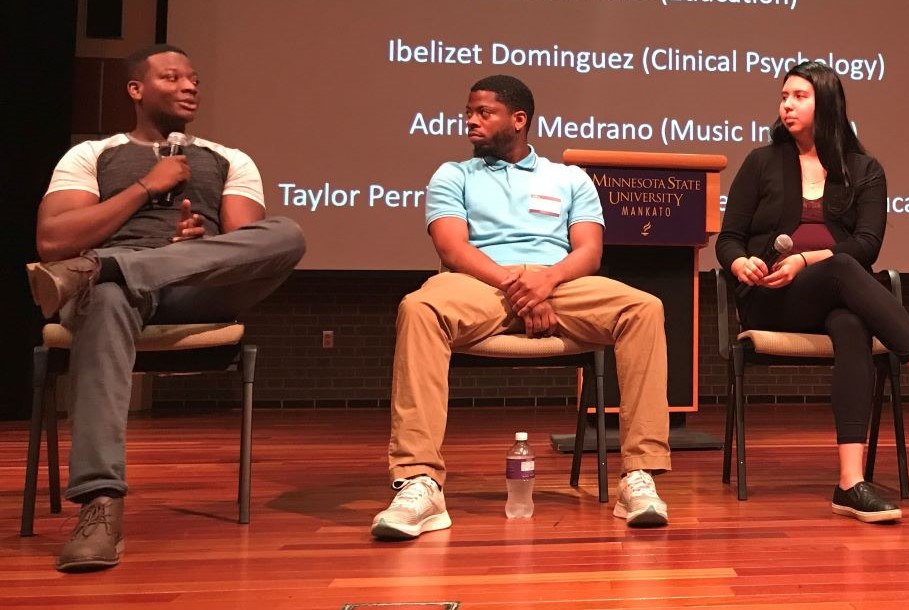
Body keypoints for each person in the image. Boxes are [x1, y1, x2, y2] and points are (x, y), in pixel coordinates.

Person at [26, 44, 307, 572]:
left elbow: (249, 247)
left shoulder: (230, 159)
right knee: (108, 293)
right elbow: (52, 241)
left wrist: (191, 251)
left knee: (287, 234)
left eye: (194, 79)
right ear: (136, 89)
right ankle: (100, 504)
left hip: (192, 287)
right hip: (111, 298)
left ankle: (109, 268)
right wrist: (144, 187)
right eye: (173, 77)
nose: (189, 86)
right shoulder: (92, 155)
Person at [372, 75, 671, 539]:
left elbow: (589, 252)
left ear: (519, 119)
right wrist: (518, 286)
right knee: (420, 308)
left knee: (643, 308)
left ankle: (640, 475)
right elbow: (453, 249)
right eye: (468, 112)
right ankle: (420, 481)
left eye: (482, 112)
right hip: (482, 282)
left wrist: (546, 281)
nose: (470, 121)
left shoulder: (569, 178)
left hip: (558, 283)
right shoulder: (453, 175)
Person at [716, 61, 909, 524]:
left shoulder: (864, 170)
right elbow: (729, 238)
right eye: (784, 96)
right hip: (770, 298)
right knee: (843, 267)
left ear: (826, 103)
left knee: (851, 324)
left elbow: (867, 244)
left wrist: (808, 259)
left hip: (830, 298)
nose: (787, 104)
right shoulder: (760, 162)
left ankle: (849, 482)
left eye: (799, 96)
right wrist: (739, 261)